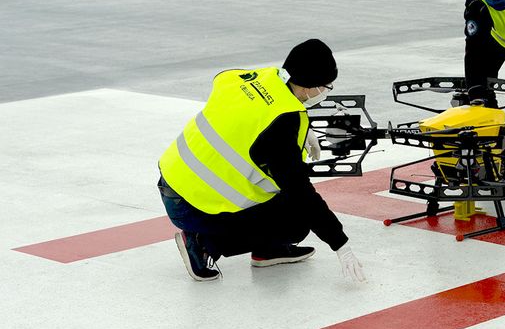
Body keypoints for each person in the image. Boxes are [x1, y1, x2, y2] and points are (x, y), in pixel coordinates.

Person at [155, 38, 366, 283]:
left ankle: (267, 250)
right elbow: (301, 194)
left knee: (280, 194)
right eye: (326, 86)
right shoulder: (283, 124)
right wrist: (341, 245)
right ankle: (203, 243)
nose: (325, 92)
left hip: (170, 180)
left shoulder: (255, 77)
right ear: (310, 86)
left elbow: (226, 80)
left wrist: (301, 130)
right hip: (192, 208)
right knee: (296, 222)